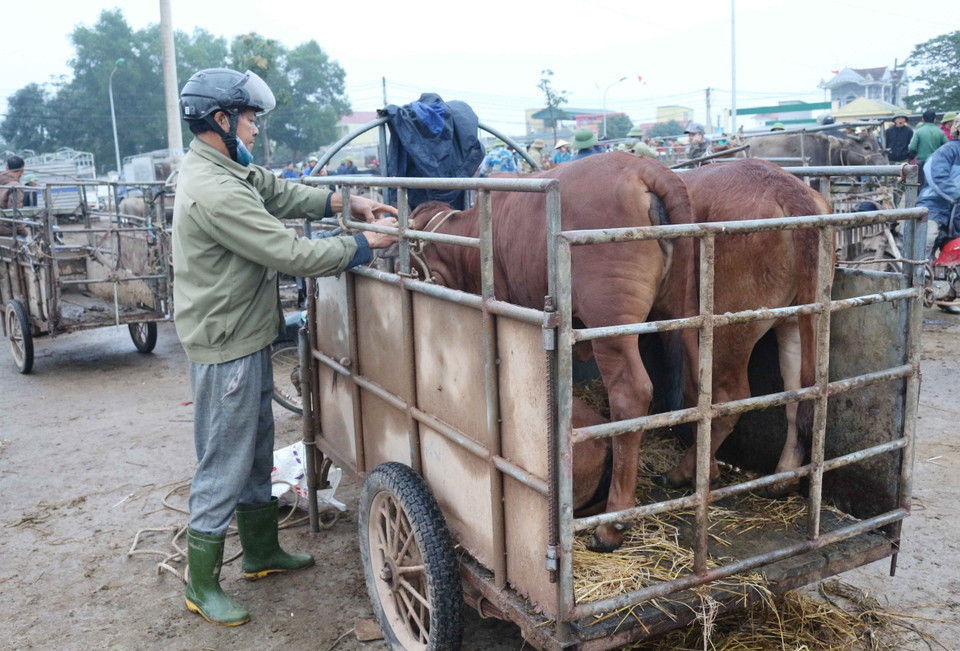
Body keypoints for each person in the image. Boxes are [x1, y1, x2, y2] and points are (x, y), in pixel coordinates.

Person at [174, 67, 398, 627]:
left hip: (242, 332)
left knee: (254, 449)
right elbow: (291, 255)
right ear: (220, 120)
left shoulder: (228, 168)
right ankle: (201, 584)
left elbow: (277, 191)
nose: (255, 130)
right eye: (249, 118)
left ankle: (260, 553)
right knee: (225, 460)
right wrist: (363, 245)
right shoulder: (215, 189)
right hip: (225, 342)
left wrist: (346, 201)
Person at [909, 109, 949, 188]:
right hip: (936, 163)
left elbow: (912, 147)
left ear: (922, 119)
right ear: (934, 119)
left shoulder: (919, 131)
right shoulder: (940, 132)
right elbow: (947, 146)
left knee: (921, 186)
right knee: (934, 185)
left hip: (922, 163)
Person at [0, 156, 28, 236]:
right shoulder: (15, 187)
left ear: (6, 167)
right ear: (22, 171)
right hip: (4, 230)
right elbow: (15, 214)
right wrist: (24, 232)